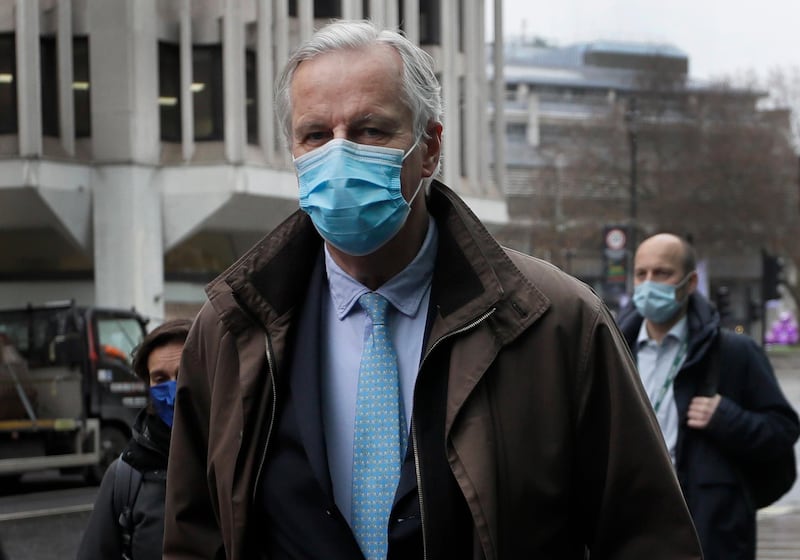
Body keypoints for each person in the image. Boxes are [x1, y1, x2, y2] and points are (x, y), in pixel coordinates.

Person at [163, 20, 702, 560]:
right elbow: (194, 537)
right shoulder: (229, 330)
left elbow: (648, 537)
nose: (340, 155)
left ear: (430, 147)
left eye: (371, 130)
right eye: (316, 136)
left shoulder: (555, 322)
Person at [616, 233, 800, 560]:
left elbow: (783, 429)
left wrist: (726, 418)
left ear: (690, 283)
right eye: (641, 273)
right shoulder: (614, 350)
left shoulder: (733, 353)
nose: (648, 284)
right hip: (631, 525)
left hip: (708, 532)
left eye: (662, 273)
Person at [77, 318, 192, 560]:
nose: (173, 390)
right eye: (160, 379)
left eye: (184, 374)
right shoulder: (126, 477)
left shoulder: (242, 463)